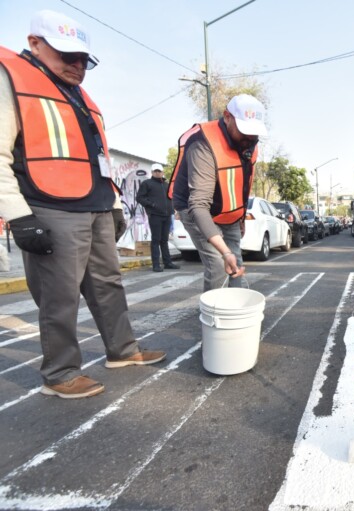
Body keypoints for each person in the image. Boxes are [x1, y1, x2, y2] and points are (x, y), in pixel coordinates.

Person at [0, 10, 166, 399]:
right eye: (67, 56)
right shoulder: (12, 81)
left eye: (83, 60)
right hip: (50, 206)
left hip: (95, 205)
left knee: (108, 283)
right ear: (35, 44)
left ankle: (122, 351)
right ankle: (60, 374)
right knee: (59, 294)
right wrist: (19, 216)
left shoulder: (78, 96)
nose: (77, 66)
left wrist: (112, 204)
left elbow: (97, 157)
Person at [169, 94, 266, 292]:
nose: (249, 139)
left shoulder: (249, 144)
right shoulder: (202, 145)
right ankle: (215, 316)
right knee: (218, 261)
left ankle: (236, 309)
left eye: (254, 133)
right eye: (244, 131)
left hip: (227, 211)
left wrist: (240, 218)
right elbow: (198, 205)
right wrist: (224, 252)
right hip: (195, 206)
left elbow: (242, 184)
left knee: (236, 260)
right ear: (227, 117)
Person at [137, 163, 179, 272]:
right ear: (152, 172)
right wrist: (152, 205)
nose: (157, 173)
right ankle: (156, 264)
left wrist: (173, 209)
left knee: (164, 240)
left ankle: (167, 262)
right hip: (155, 215)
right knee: (156, 240)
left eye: (159, 171)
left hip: (167, 215)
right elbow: (140, 198)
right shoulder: (147, 184)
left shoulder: (166, 185)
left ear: (162, 172)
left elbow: (171, 198)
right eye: (155, 171)